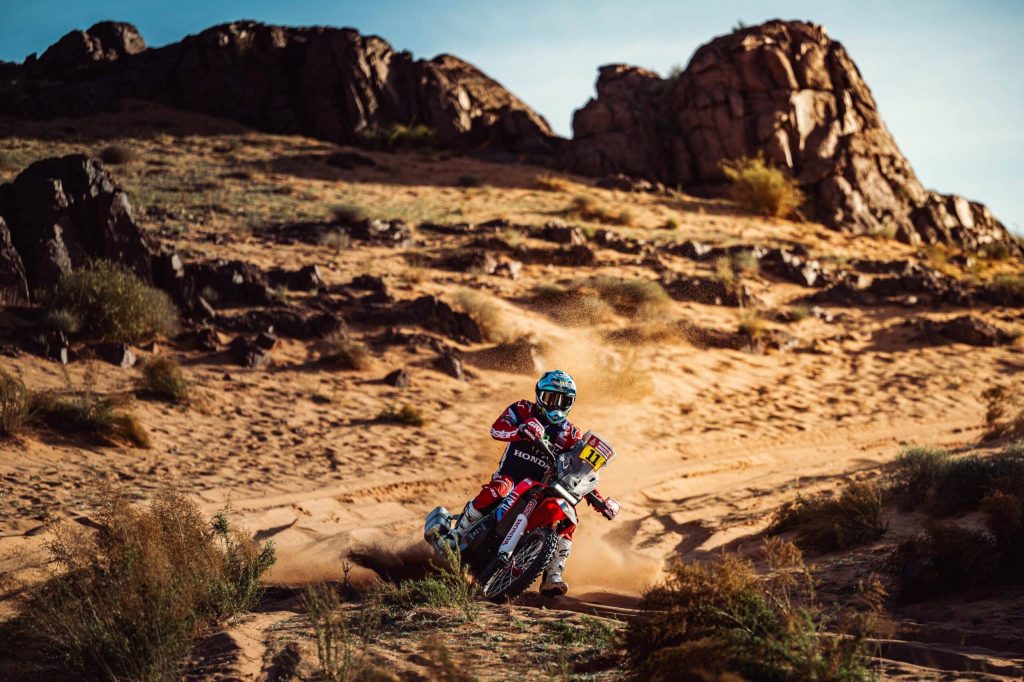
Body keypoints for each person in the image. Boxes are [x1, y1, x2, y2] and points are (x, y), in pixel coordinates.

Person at [454, 369, 620, 597]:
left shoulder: (572, 434)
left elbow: (580, 471)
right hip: (513, 477)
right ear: (540, 395)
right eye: (551, 399)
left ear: (571, 403)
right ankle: (457, 534)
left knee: (567, 515)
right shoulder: (522, 409)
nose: (556, 406)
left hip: (544, 489)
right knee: (498, 489)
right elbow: (496, 429)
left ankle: (553, 576)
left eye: (563, 401)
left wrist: (600, 501)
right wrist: (520, 431)